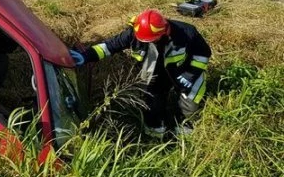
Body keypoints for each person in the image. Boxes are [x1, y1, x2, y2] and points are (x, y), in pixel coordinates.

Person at [69, 9, 211, 137]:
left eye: (151, 40)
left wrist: (191, 75)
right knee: (152, 105)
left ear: (163, 32)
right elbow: (110, 46)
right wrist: (86, 56)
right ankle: (155, 135)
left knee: (189, 105)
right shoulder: (135, 33)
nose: (147, 42)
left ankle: (183, 134)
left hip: (184, 73)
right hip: (156, 74)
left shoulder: (186, 32)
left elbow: (203, 54)